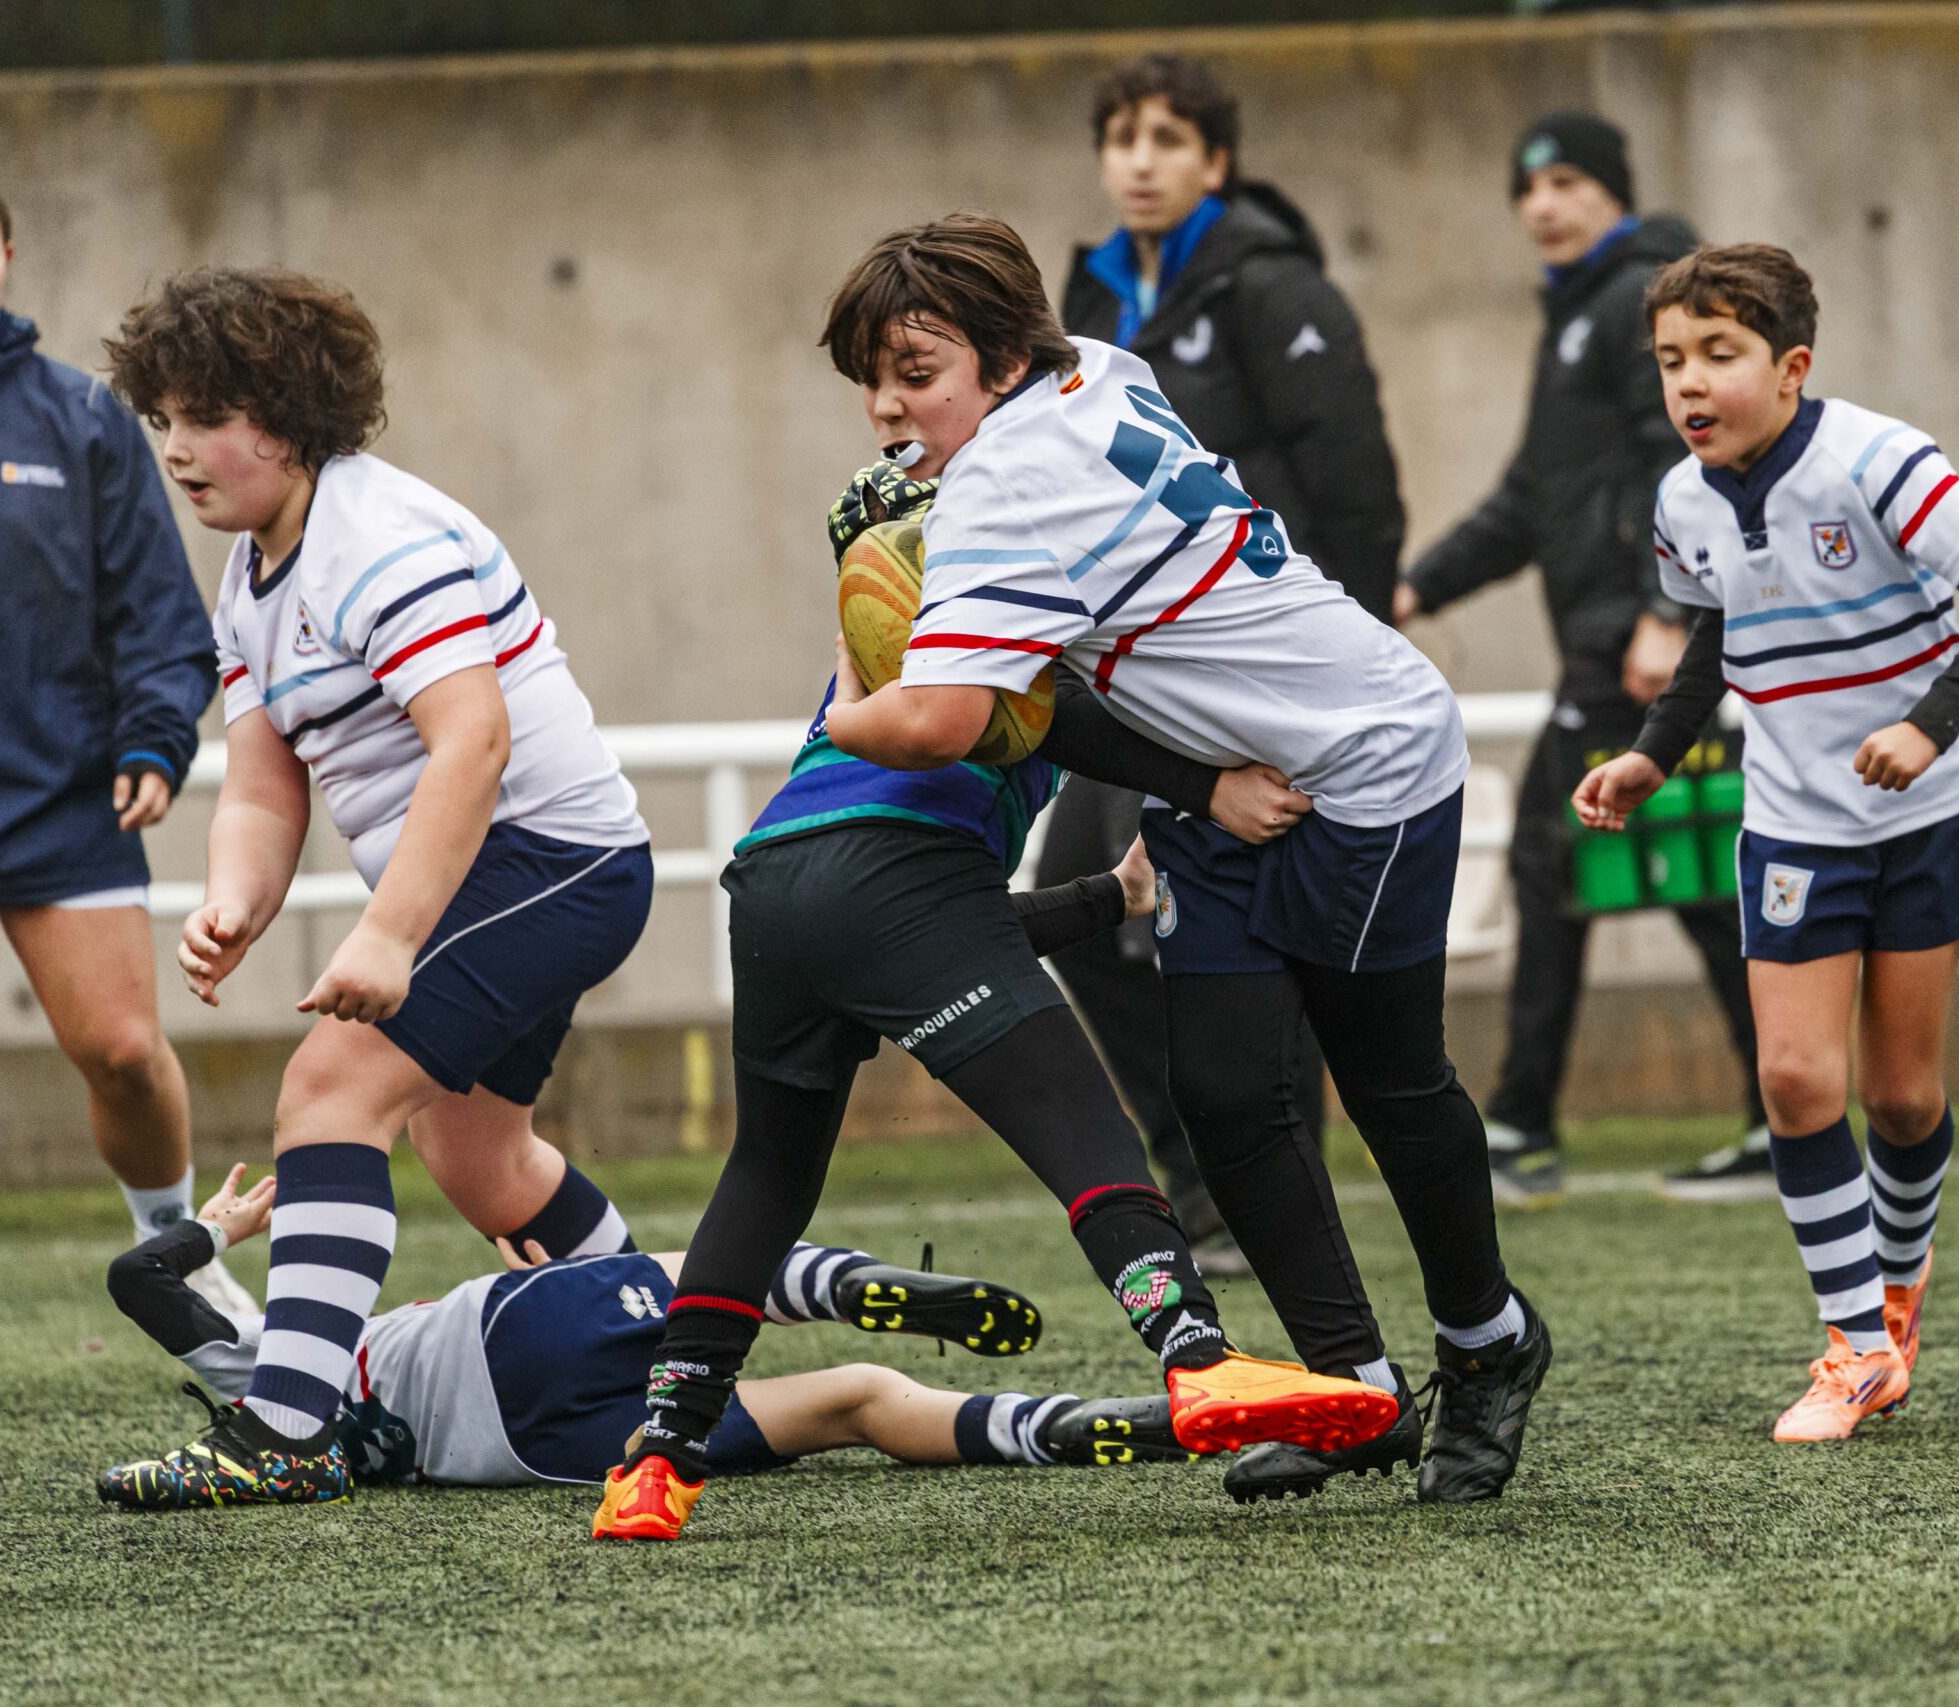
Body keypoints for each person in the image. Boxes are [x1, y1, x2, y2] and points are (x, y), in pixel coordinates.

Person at [804, 214, 1547, 1507]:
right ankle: (1352, 1390)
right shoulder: (1093, 362)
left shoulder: (1000, 490)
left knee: (1385, 1078)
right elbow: (1066, 677)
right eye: (868, 377)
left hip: (1363, 759)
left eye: (915, 373)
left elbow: (942, 722)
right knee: (1219, 1089)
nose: (883, 409)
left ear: (998, 354)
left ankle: (1491, 1345)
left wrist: (838, 689)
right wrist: (1203, 782)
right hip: (1227, 777)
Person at [603, 483, 1399, 1542]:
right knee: (1087, 1132)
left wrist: (1107, 897)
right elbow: (1041, 750)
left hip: (775, 884)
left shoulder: (880, 677)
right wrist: (1209, 788)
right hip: (902, 883)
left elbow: (936, 934)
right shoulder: (1007, 625)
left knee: (768, 1172)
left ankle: (659, 1457)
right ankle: (1200, 1364)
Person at [92, 266, 664, 1509]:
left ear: (288, 422)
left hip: (554, 866)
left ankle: (286, 1432)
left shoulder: (376, 539)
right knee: (484, 1163)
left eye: (204, 419)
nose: (178, 452)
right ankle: (680, 1361)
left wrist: (390, 935)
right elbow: (260, 778)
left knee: (331, 1089)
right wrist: (235, 896)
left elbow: (474, 743)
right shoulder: (252, 566)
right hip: (505, 875)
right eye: (164, 422)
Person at [1576, 244, 1959, 1443]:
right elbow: (1714, 635)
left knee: (1900, 1097)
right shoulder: (1682, 499)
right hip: (1792, 821)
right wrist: (1649, 753)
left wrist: (1926, 729)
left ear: (1791, 368)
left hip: (1929, 811)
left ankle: (1896, 1288)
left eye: (1719, 356)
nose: (1691, 384)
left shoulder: (1877, 460)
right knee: (1794, 1079)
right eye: (1672, 360)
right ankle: (1853, 1347)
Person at [0, 161, 236, 1404]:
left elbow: (164, 617)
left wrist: (153, 741)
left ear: (9, 261)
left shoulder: (79, 418)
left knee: (122, 1049)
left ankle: (182, 1256)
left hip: (63, 798)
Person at [1045, 52, 1404, 1261]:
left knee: (1254, 917)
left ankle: (1270, 1189)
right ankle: (1195, 1179)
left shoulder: (1271, 284)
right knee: (1093, 916)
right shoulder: (1083, 295)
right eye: (1121, 137)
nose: (1139, 159)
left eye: (1166, 137)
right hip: (1125, 671)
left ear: (1215, 157)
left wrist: (1340, 655)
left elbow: (1353, 480)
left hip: (1261, 662)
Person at [1397, 112, 1765, 1206]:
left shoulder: (1636, 303)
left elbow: (1684, 460)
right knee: (1684, 882)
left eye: (1565, 181)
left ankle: (1520, 1123)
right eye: (1527, 189)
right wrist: (1409, 589)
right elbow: (1532, 500)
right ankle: (1774, 1116)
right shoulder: (1577, 316)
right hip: (1616, 640)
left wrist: (1667, 615)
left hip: (1631, 646)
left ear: (1612, 191)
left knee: (1568, 871)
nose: (1543, 206)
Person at [96, 1163, 1189, 1508]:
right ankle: (840, 1280)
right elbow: (138, 1272)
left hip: (537, 1456)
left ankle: (1080, 1428)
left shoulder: (262, 1392)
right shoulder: (274, 1348)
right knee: (703, 1279)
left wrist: (200, 1241)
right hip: (504, 1332)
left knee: (853, 1403)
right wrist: (228, 1225)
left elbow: (137, 1281)